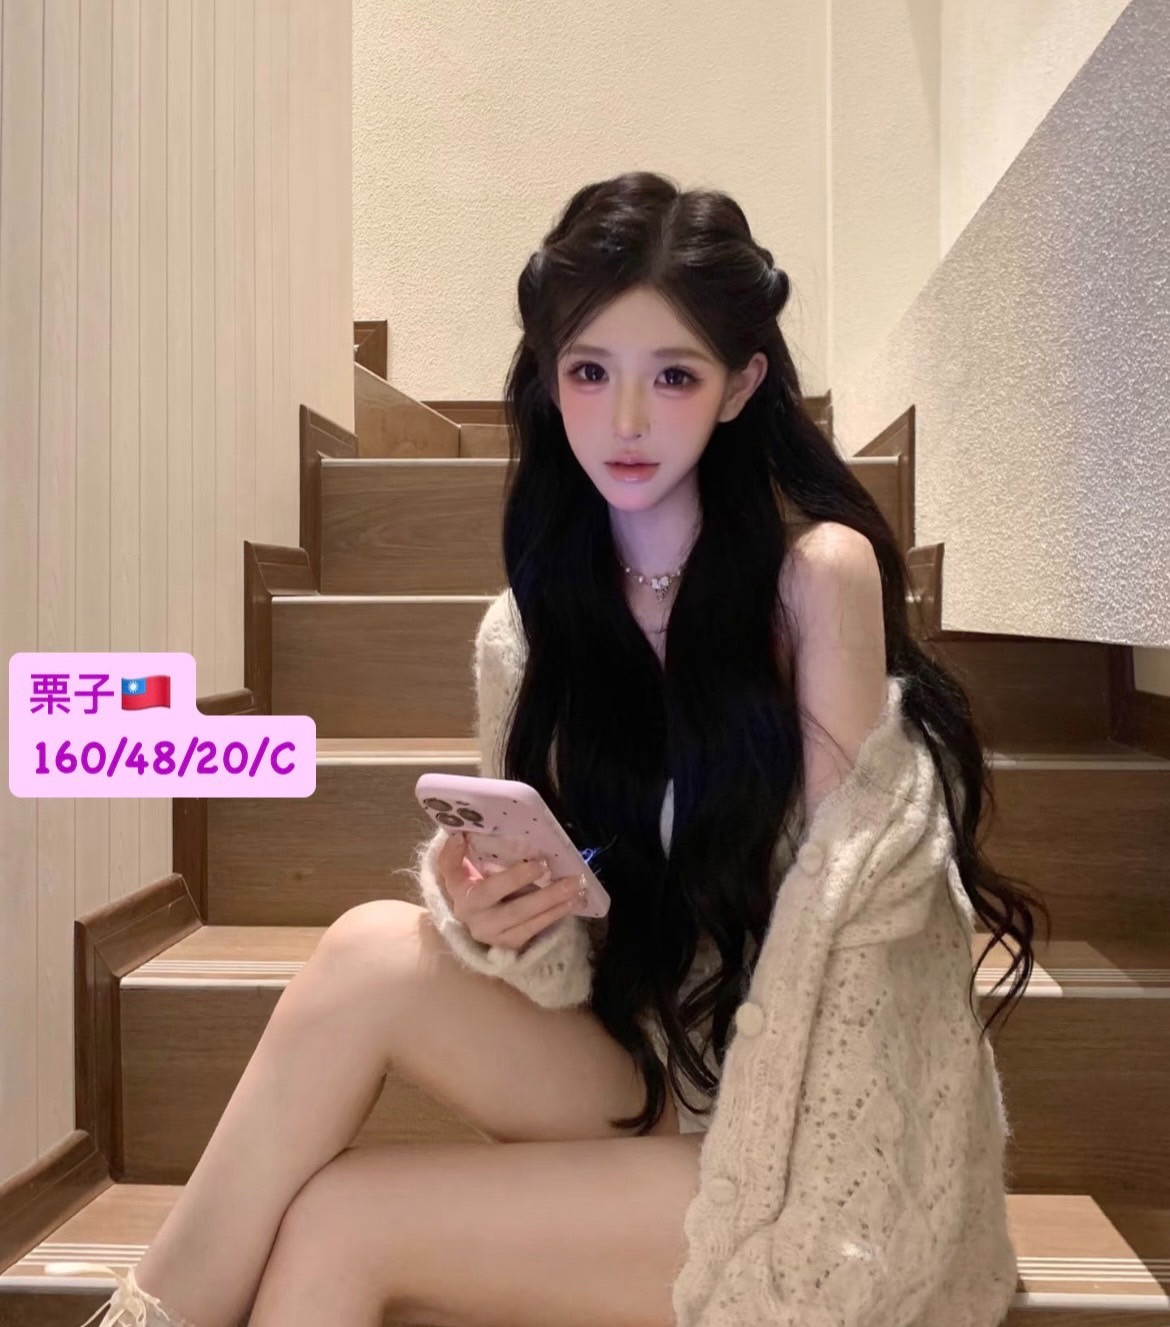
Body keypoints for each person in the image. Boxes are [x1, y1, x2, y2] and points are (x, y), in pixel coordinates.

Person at [54, 169, 1048, 1326]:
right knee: (370, 950)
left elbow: (856, 945)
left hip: (829, 1155)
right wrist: (506, 921)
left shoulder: (816, 579)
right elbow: (582, 972)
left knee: (341, 1220)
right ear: (548, 378)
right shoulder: (531, 633)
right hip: (669, 1075)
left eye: (672, 375)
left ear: (740, 386)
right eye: (589, 372)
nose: (625, 421)